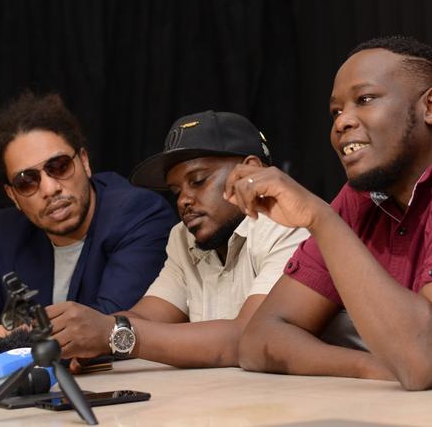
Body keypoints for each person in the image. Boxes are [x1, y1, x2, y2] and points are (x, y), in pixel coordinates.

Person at [229, 36, 432, 390]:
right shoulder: (365, 194)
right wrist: (371, 368)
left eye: (364, 100)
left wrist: (320, 219)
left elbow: (420, 360)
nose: (342, 123)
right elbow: (260, 339)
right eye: (336, 111)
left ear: (431, 105)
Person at [0, 92, 175, 369]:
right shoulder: (6, 231)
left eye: (59, 166)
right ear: (13, 195)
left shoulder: (137, 213)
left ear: (84, 162)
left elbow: (104, 328)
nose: (50, 188)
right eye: (27, 181)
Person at [44, 110, 309, 368]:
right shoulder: (183, 238)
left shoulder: (288, 225)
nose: (183, 200)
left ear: (251, 172)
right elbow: (146, 317)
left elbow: (249, 337)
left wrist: (113, 334)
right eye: (176, 190)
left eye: (198, 180)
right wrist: (82, 333)